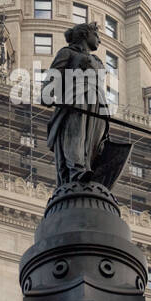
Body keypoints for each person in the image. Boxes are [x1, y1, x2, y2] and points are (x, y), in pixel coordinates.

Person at [41, 21, 110, 184]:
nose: (99, 40)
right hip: (76, 100)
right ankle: (76, 171)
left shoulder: (97, 60)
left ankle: (88, 169)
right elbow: (53, 76)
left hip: (97, 104)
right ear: (85, 35)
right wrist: (47, 94)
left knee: (93, 140)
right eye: (97, 35)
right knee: (75, 134)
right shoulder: (68, 53)